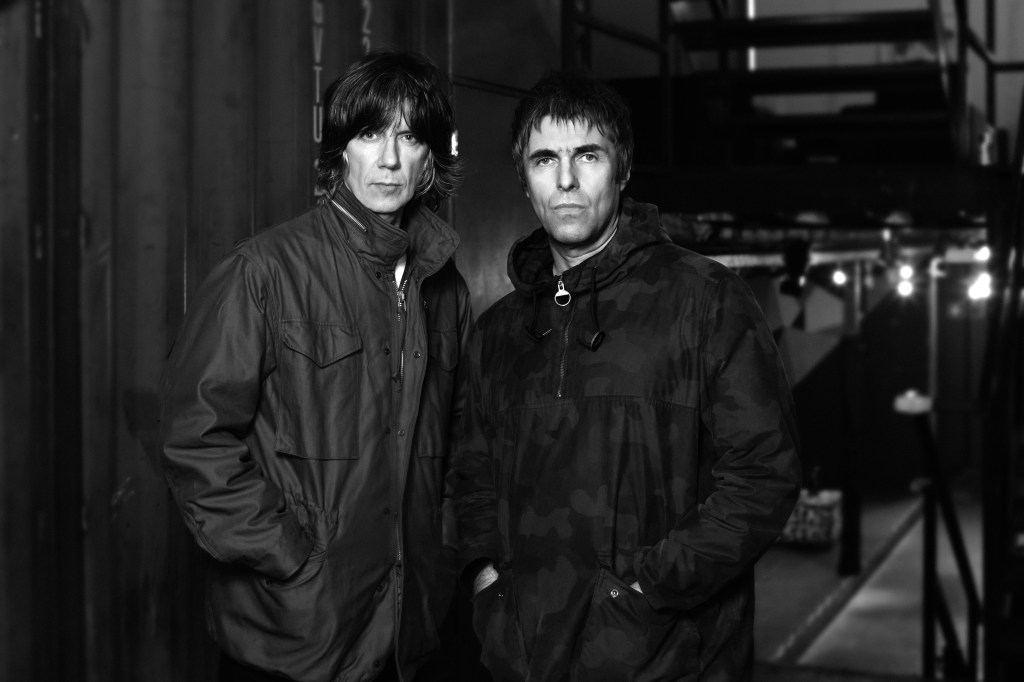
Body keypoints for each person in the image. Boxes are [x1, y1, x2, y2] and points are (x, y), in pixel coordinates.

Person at [453, 69, 801, 681]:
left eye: (587, 156)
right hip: (526, 663)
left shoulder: (706, 299)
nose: (565, 180)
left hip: (667, 661)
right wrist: (489, 586)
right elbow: (470, 481)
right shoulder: (497, 333)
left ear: (622, 169)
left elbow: (763, 479)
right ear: (524, 180)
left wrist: (646, 591)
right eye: (544, 160)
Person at [160, 50, 470, 682]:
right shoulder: (263, 272)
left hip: (409, 635)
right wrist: (292, 558)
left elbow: (459, 444)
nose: (389, 159)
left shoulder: (446, 287)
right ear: (340, 151)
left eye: (409, 137)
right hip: (295, 636)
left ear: (431, 159)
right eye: (370, 134)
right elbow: (196, 440)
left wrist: (442, 553)